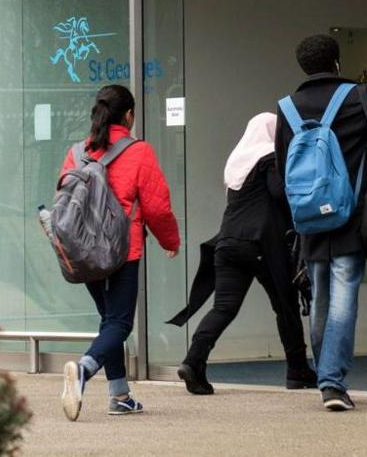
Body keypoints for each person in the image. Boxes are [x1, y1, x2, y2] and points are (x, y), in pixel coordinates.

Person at [272, 34, 367, 411]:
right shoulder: (359, 97)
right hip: (349, 214)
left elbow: (280, 167)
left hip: (308, 216)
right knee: (344, 294)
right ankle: (332, 383)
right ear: (337, 63)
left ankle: (325, 375)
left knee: (320, 296)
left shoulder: (286, 107)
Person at [167, 113, 313, 395]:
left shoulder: (238, 162)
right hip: (261, 245)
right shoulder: (270, 156)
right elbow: (279, 192)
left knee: (224, 307)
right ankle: (297, 370)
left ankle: (193, 360)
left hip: (228, 243)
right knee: (286, 306)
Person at [58, 84, 179, 421]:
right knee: (120, 323)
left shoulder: (77, 152)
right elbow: (157, 207)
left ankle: (120, 395)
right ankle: (83, 371)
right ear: (128, 116)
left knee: (109, 321)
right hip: (121, 251)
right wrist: (170, 241)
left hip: (83, 252)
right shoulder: (138, 151)